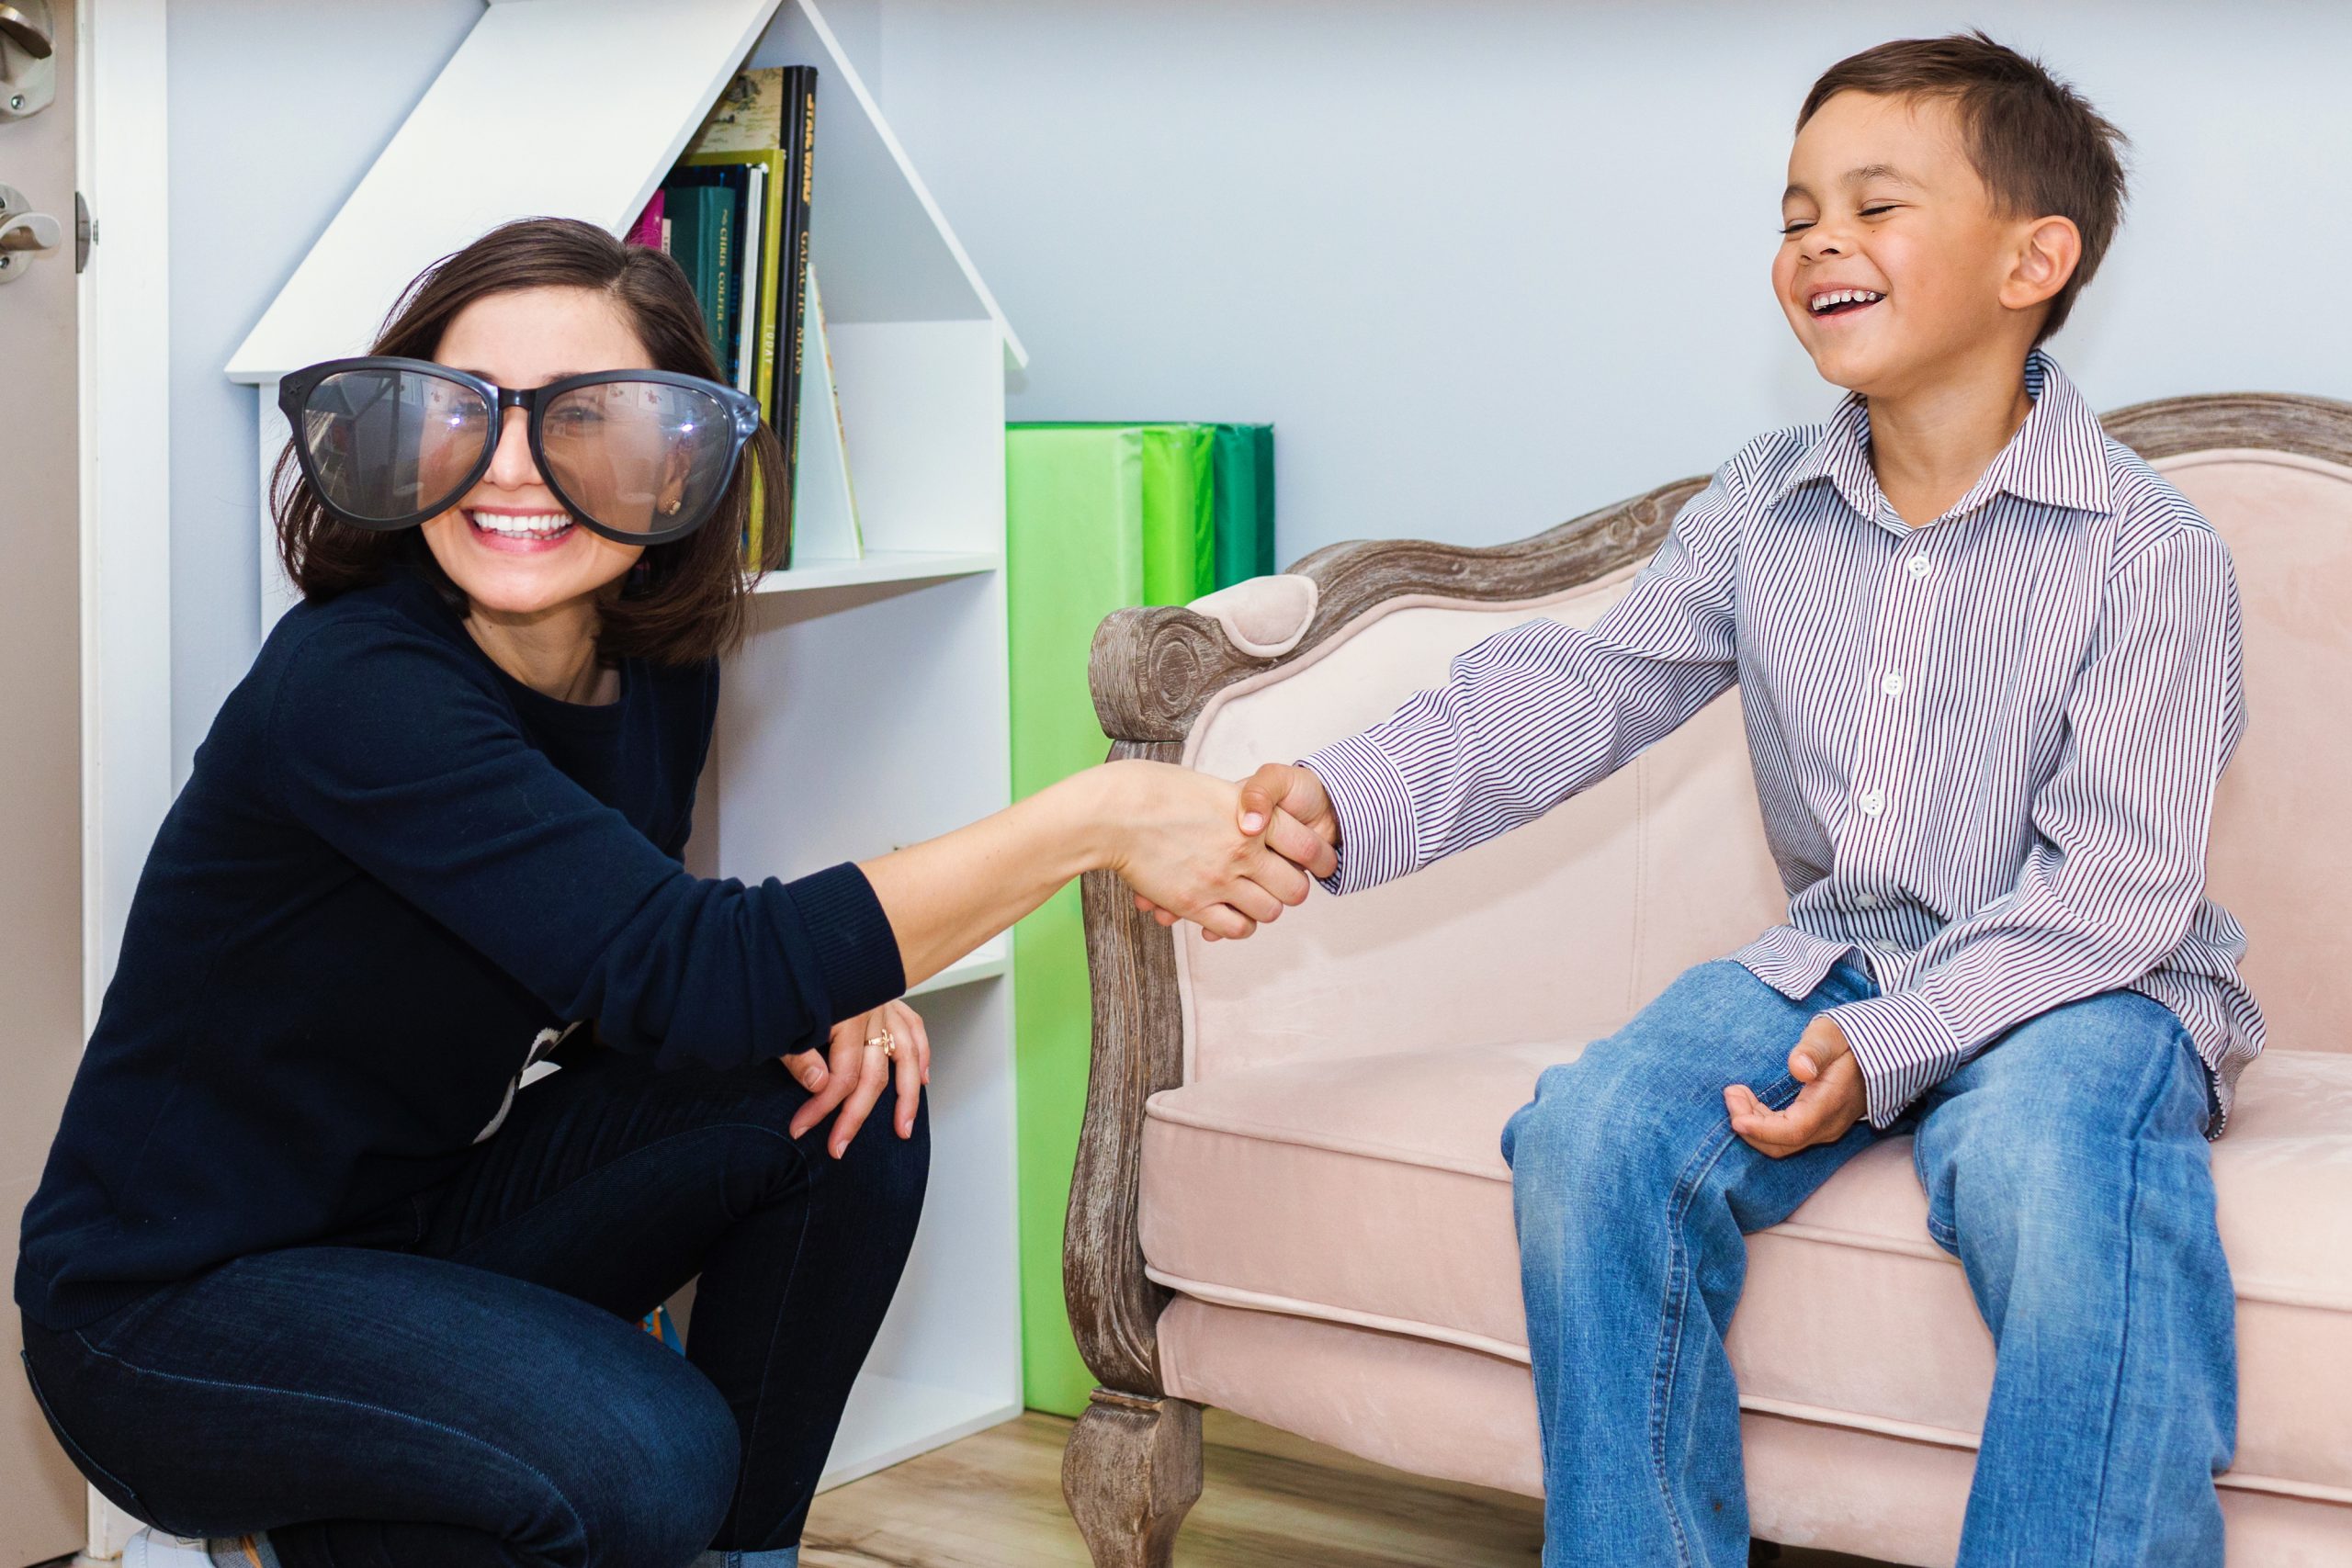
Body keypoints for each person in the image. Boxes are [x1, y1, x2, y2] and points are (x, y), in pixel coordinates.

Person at [15, 218, 1332, 1568]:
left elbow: (624, 961)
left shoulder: (651, 670)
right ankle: (307, 1531)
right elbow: (687, 966)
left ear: (677, 461)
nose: (513, 470)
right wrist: (1096, 815)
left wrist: (823, 992)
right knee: (647, 1456)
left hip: (412, 1236)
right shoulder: (354, 688)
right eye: (468, 416)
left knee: (842, 1101)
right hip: (169, 1313)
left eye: (584, 424)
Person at [1174, 32, 2261, 1567]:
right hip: (1845, 950)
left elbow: (2119, 892)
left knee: (2043, 1157)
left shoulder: (2150, 550)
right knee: (1592, 1132)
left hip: (2091, 978)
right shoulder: (1761, 504)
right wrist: (1353, 796)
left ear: (2036, 258)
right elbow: (1586, 686)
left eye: (1877, 206)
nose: (1820, 240)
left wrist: (1888, 1052)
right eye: (1797, 210)